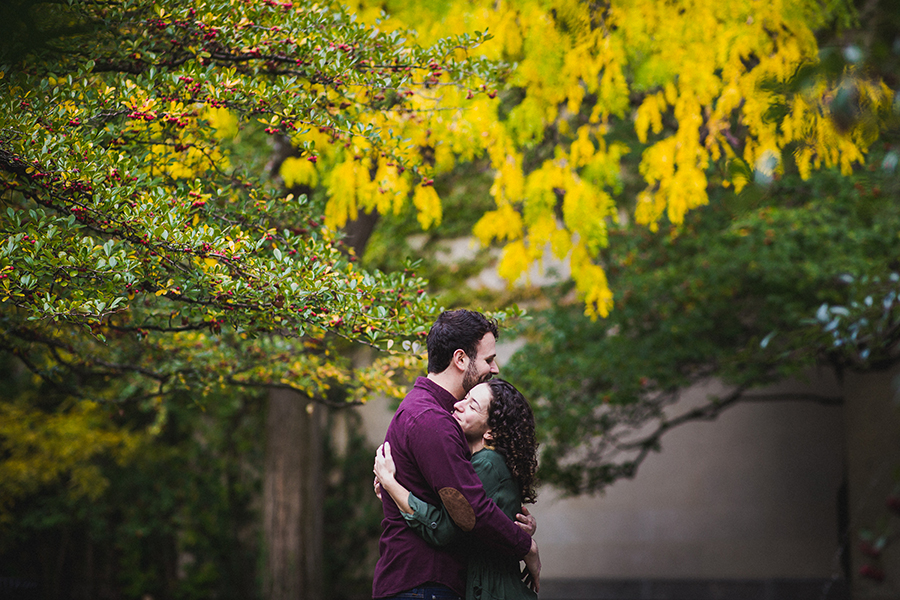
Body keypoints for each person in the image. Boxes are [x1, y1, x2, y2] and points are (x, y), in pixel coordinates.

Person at [372, 310, 541, 600]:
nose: (495, 368)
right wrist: (525, 546)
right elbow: (469, 511)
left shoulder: (432, 414)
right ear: (461, 359)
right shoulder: (432, 420)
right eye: (488, 359)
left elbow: (468, 496)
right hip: (423, 585)